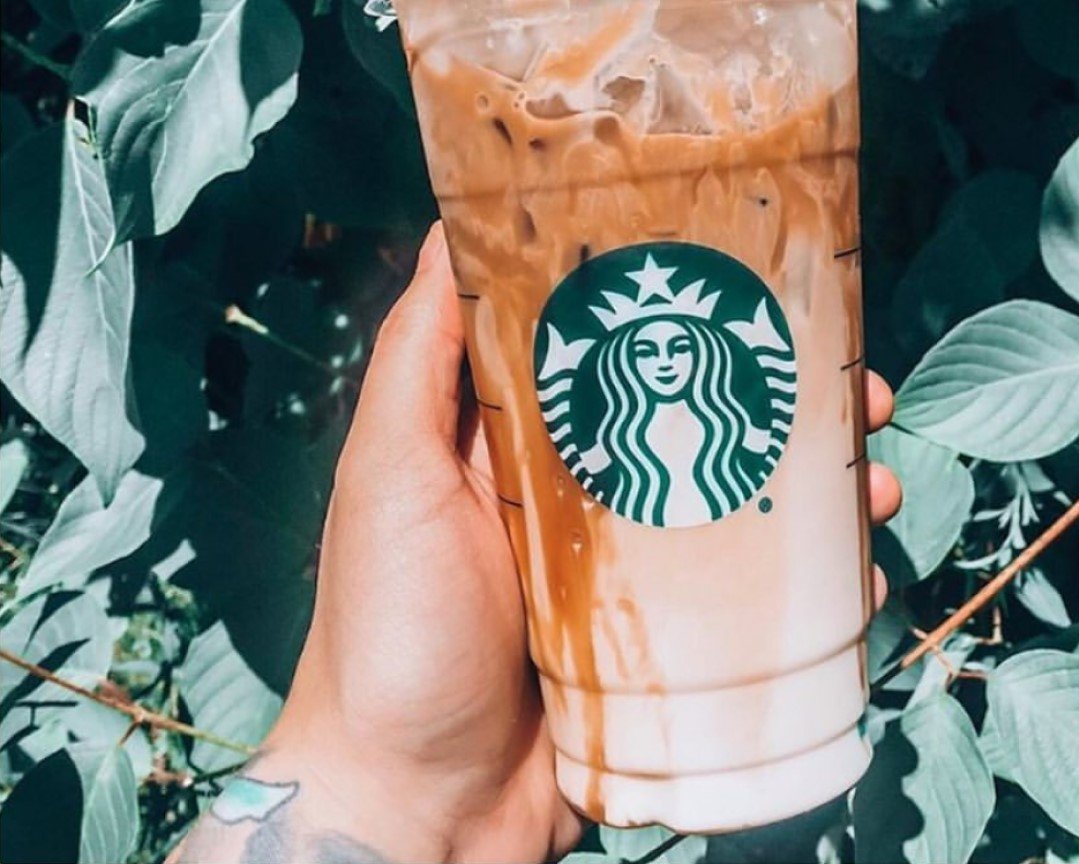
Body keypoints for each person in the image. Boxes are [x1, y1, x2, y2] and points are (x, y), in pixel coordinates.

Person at [170, 224, 902, 864]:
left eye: (681, 343)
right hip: (572, 727)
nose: (664, 361)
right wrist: (375, 776)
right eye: (644, 350)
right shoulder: (615, 450)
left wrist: (372, 782)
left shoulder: (730, 436)